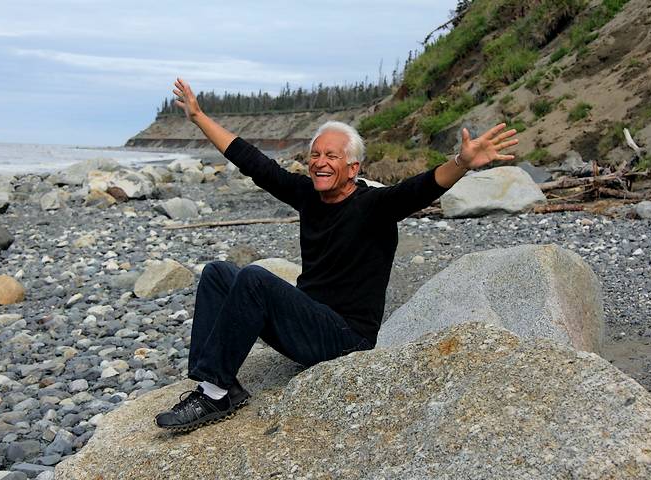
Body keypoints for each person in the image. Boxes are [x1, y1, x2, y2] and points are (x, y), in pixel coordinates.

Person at [155, 78, 518, 432]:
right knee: (218, 272)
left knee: (254, 278)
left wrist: (462, 161)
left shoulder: (375, 205)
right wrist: (199, 117)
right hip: (309, 325)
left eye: (332, 155)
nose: (320, 162)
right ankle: (216, 384)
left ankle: (216, 395)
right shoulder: (308, 195)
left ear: (353, 167)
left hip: (346, 340)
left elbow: (421, 188)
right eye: (315, 154)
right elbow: (254, 162)